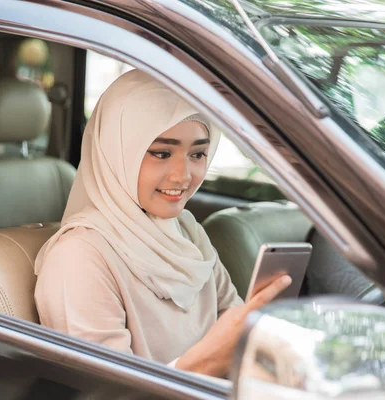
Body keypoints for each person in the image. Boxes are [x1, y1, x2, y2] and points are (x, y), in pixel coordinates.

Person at [34, 69, 291, 378]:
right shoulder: (79, 257)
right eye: (161, 153)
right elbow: (103, 391)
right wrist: (204, 364)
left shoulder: (188, 231)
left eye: (197, 154)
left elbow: (233, 321)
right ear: (118, 151)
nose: (183, 175)